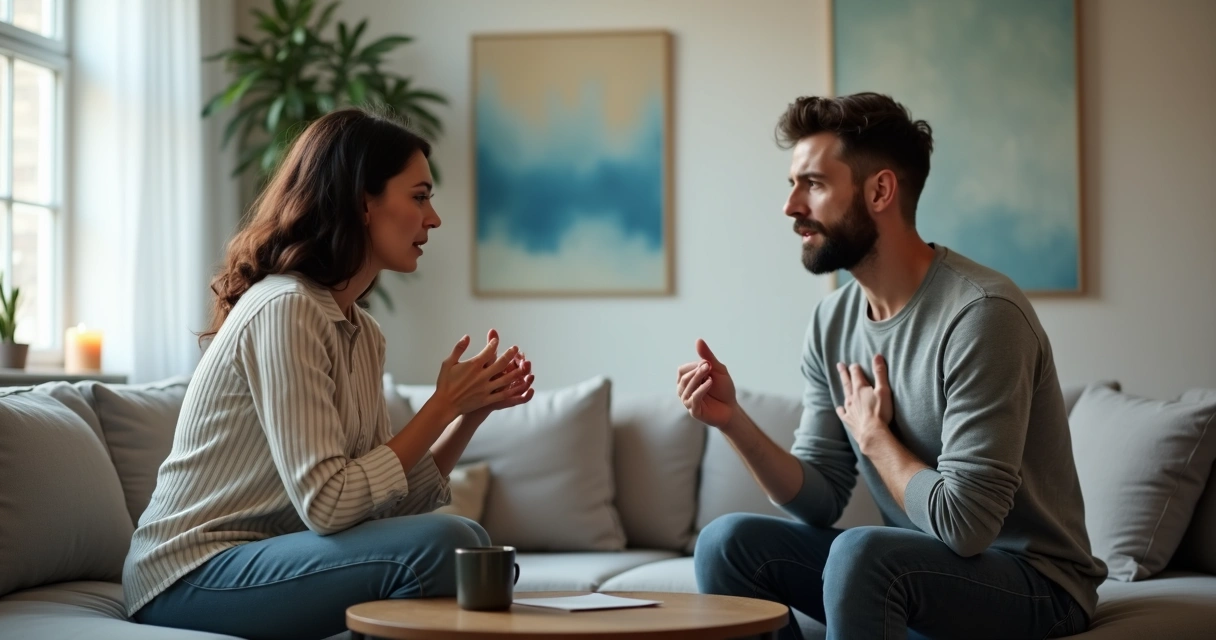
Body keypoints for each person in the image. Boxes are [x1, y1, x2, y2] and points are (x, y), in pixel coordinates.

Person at [678, 93, 1105, 639]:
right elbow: (820, 498)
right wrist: (731, 419)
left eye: (813, 183)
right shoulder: (832, 321)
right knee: (726, 543)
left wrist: (875, 436)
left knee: (863, 553)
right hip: (924, 567)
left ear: (879, 190)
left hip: (1036, 582)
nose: (790, 206)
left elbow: (966, 527)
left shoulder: (982, 315)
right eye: (792, 184)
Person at [123, 108, 536, 639]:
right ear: (364, 203)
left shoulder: (362, 332)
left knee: (464, 542)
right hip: (189, 574)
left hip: (265, 558)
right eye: (419, 196)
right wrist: (439, 406)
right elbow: (329, 504)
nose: (433, 218)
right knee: (447, 544)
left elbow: (378, 502)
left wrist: (468, 416)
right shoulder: (284, 308)